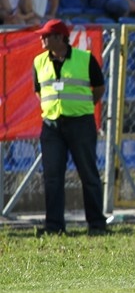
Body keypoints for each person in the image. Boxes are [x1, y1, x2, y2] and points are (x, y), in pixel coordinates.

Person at [32, 18, 108, 235]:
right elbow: (39, 90)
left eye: (46, 36)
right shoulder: (38, 61)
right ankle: (54, 226)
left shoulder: (85, 59)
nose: (42, 39)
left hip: (80, 124)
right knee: (52, 176)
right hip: (51, 126)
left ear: (59, 38)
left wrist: (81, 106)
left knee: (88, 174)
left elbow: (99, 87)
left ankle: (96, 225)